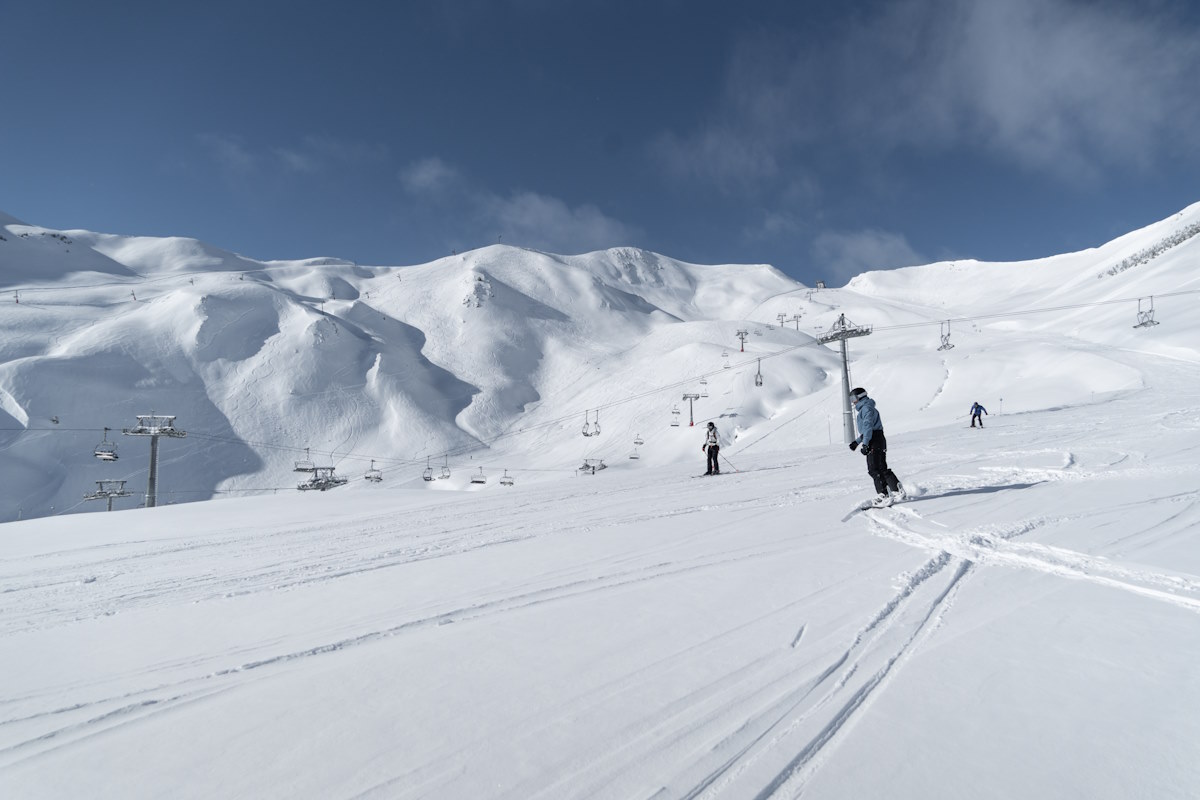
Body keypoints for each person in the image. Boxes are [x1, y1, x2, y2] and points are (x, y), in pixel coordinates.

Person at [848, 387, 905, 507]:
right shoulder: (868, 408)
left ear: (860, 397)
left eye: (854, 398)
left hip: (873, 440)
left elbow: (868, 428)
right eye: (851, 399)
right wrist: (857, 442)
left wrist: (865, 444)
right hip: (878, 439)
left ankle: (883, 495)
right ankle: (896, 489)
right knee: (881, 467)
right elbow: (868, 430)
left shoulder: (866, 409)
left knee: (874, 469)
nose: (852, 401)